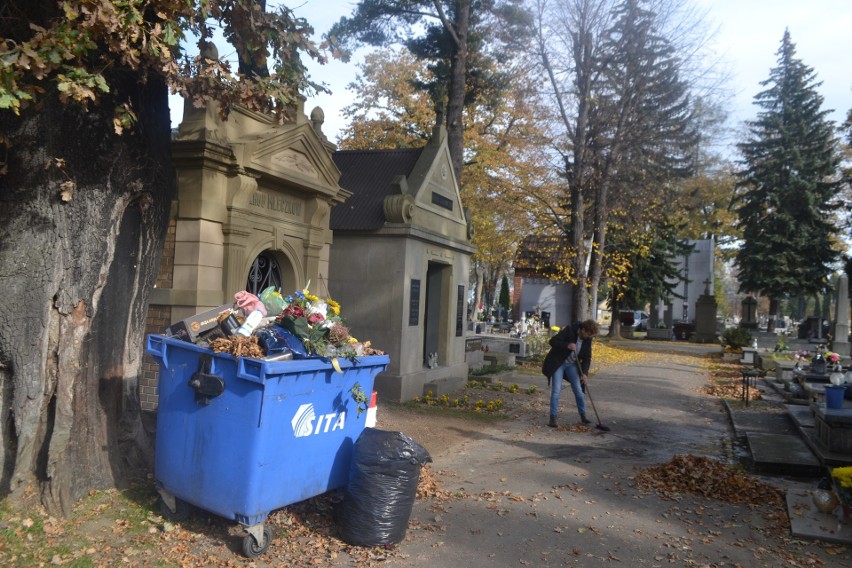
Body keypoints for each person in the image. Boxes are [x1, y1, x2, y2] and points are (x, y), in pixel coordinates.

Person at [541, 319, 600, 428]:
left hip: (572, 365)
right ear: (582, 329)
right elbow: (553, 341)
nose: (588, 337)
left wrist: (584, 373)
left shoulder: (587, 340)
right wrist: (567, 345)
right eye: (587, 334)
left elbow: (587, 358)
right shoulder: (569, 331)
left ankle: (583, 417)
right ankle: (552, 418)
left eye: (590, 335)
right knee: (556, 390)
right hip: (558, 363)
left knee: (578, 390)